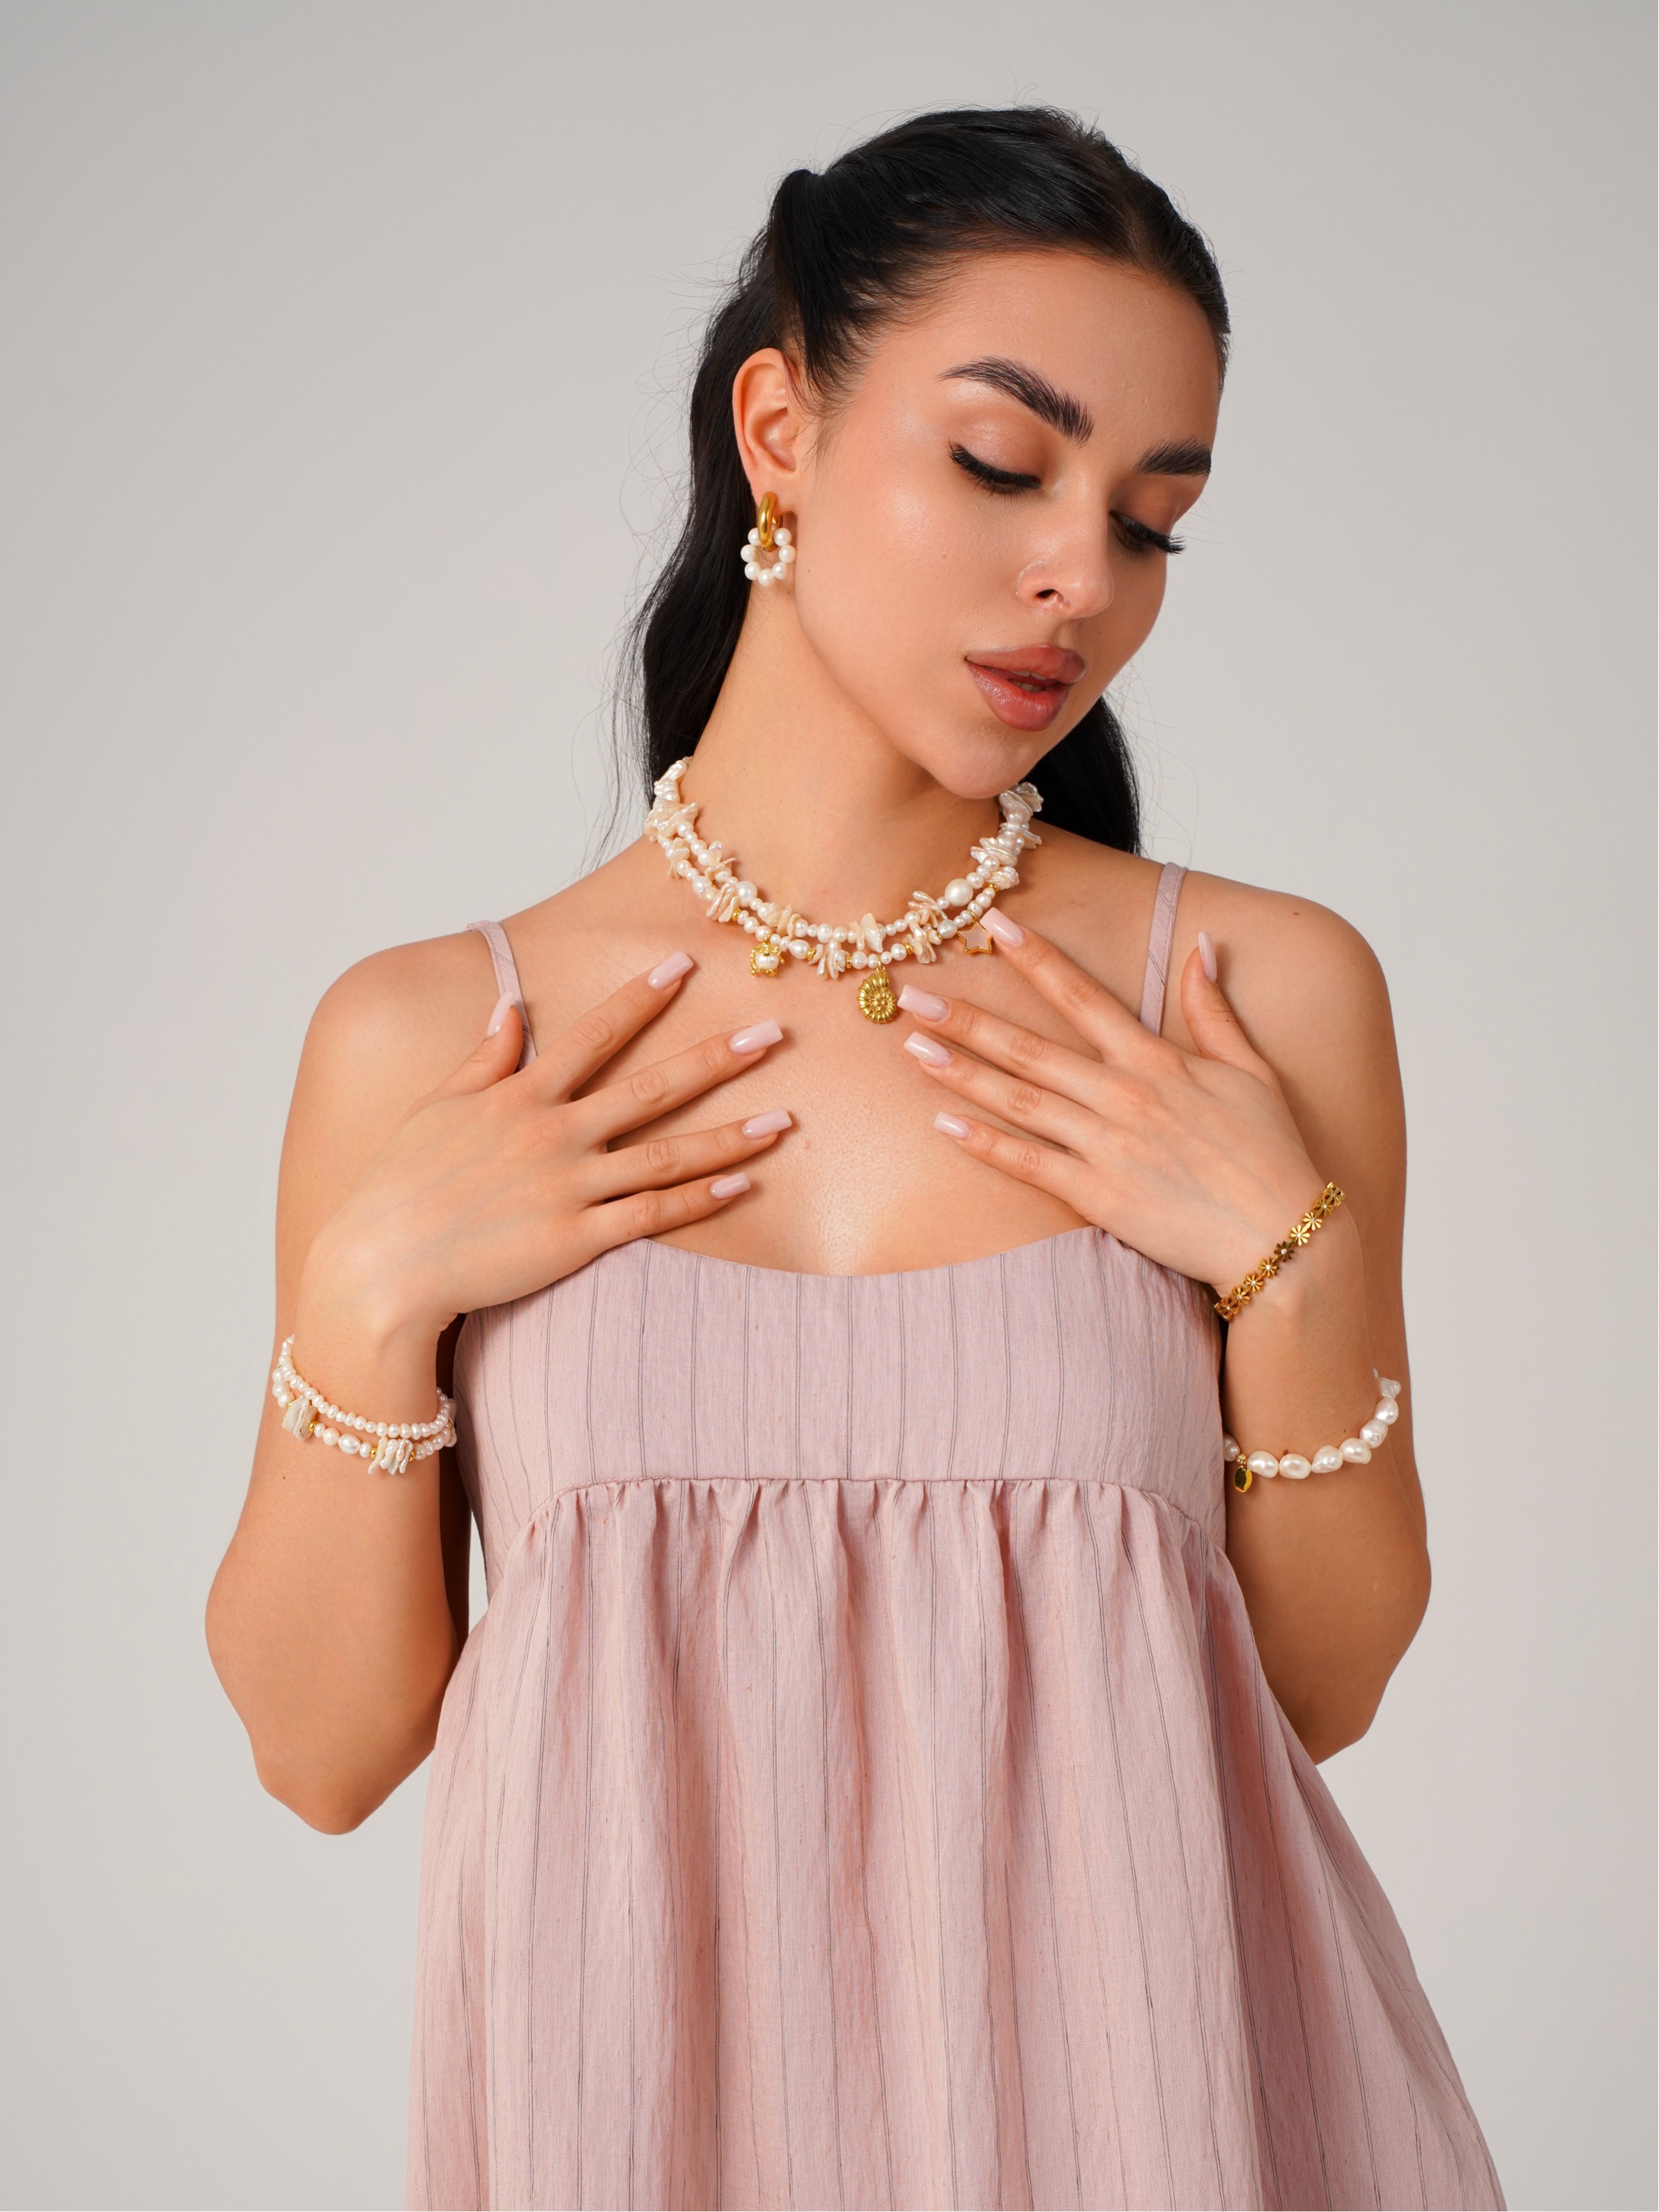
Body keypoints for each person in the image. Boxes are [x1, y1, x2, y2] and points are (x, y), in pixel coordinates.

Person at [206, 107, 1503, 2212]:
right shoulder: (436, 1036)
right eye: (1002, 464)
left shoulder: (1247, 996)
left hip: (1160, 2133)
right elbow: (322, 1751)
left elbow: (1321, 1691)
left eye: (1154, 522)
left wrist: (1292, 1258)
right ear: (781, 434)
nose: (1083, 576)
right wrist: (366, 1305)